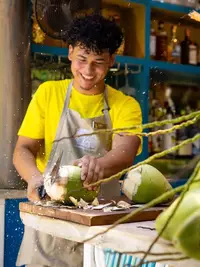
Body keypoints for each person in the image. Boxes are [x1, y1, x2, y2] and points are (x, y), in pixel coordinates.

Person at [13, 14, 142, 267]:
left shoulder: (125, 104)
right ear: (70, 52)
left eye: (98, 63)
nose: (88, 71)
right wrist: (34, 177)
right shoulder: (48, 93)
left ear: (112, 61)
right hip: (52, 222)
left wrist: (100, 166)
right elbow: (23, 149)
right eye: (82, 59)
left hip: (101, 226)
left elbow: (126, 151)